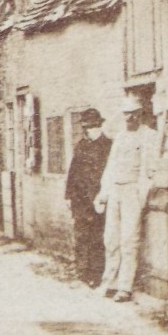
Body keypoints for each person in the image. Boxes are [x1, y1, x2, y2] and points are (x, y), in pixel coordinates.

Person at [94, 95, 159, 303]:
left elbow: (150, 170)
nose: (129, 117)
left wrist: (141, 195)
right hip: (116, 189)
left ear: (141, 114)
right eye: (126, 113)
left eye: (133, 113)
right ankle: (109, 282)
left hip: (132, 190)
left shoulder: (149, 136)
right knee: (111, 238)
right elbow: (111, 166)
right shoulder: (120, 137)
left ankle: (125, 287)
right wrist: (104, 193)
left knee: (128, 239)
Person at [64, 108, 112, 288]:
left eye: (91, 127)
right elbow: (73, 172)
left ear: (99, 126)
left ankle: (96, 274)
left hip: (98, 200)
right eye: (85, 127)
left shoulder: (108, 146)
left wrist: (103, 197)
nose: (87, 131)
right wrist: (68, 196)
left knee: (97, 237)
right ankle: (83, 271)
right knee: (82, 236)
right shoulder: (81, 146)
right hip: (80, 201)